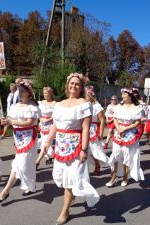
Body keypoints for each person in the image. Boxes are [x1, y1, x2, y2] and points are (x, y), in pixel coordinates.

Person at [42, 73, 99, 225]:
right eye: (71, 83)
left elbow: (86, 128)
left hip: (76, 145)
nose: (74, 86)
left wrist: (84, 149)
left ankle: (65, 210)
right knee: (60, 176)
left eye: (77, 84)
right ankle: (71, 195)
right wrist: (48, 141)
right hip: (60, 146)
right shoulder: (60, 104)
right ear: (67, 85)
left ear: (81, 88)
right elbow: (55, 125)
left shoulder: (84, 103)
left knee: (70, 178)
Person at [0, 80, 39, 202]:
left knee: (20, 163)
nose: (20, 93)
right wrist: (5, 121)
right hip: (18, 137)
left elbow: (29, 122)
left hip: (29, 137)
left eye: (23, 91)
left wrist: (11, 122)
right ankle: (31, 185)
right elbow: (9, 119)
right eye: (19, 90)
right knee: (27, 164)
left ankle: (5, 191)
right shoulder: (14, 106)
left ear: (29, 93)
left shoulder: (32, 106)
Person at [106, 88, 144, 187]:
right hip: (118, 133)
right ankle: (113, 178)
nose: (122, 95)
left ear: (130, 96)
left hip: (129, 134)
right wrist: (118, 128)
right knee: (115, 155)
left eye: (124, 94)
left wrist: (125, 129)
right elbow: (114, 119)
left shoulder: (137, 107)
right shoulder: (119, 106)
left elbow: (137, 122)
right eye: (122, 94)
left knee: (127, 157)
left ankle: (125, 178)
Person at [85, 85, 109, 175]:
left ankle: (99, 165)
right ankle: (85, 168)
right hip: (84, 129)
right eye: (85, 95)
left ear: (92, 95)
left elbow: (102, 120)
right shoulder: (83, 104)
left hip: (93, 130)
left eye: (88, 95)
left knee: (95, 150)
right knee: (85, 149)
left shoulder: (97, 106)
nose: (86, 97)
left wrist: (101, 133)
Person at [36, 87, 56, 169]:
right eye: (44, 93)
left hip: (51, 125)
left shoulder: (55, 104)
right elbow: (37, 113)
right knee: (45, 143)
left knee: (45, 143)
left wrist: (48, 119)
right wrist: (40, 119)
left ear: (51, 94)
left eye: (46, 93)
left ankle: (37, 162)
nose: (45, 95)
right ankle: (50, 157)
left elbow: (56, 115)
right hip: (42, 125)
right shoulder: (40, 102)